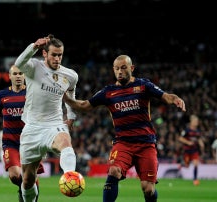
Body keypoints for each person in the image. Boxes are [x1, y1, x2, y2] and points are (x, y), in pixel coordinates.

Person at [63, 55, 186, 202]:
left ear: (131, 68)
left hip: (146, 144)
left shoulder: (143, 85)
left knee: (148, 189)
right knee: (114, 171)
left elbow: (166, 96)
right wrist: (64, 97)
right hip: (123, 143)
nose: (119, 71)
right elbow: (84, 105)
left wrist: (176, 99)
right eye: (116, 69)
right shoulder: (108, 92)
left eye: (123, 68)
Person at [14, 34, 78, 202]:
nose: (57, 58)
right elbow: (19, 63)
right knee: (27, 180)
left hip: (54, 124)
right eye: (54, 55)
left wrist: (70, 116)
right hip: (32, 127)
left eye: (60, 55)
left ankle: (71, 177)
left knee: (65, 142)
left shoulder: (70, 75)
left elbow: (71, 95)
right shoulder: (34, 67)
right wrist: (34, 46)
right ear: (45, 54)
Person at [0, 65, 44, 202]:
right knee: (15, 175)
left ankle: (28, 193)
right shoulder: (2, 94)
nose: (18, 76)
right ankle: (26, 189)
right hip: (10, 142)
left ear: (25, 76)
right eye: (15, 74)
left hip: (30, 141)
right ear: (10, 76)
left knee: (30, 176)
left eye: (21, 73)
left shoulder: (32, 92)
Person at [178, 114, 204, 186]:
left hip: (194, 150)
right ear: (191, 122)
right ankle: (181, 165)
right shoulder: (187, 130)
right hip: (187, 151)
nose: (197, 122)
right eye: (195, 121)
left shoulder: (198, 131)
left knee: (196, 164)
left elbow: (198, 138)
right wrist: (188, 142)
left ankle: (195, 179)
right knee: (187, 166)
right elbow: (180, 138)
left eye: (197, 121)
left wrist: (201, 143)